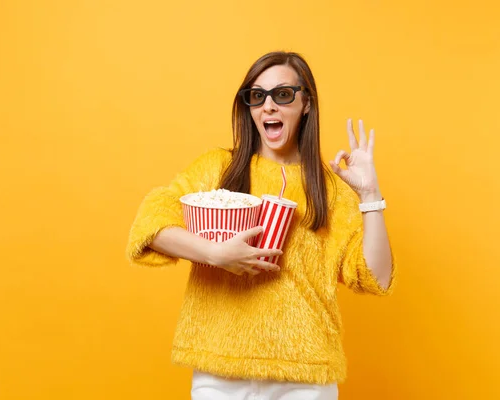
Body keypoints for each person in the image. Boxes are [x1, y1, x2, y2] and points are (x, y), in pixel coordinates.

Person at [126, 51, 396, 400]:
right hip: (219, 371)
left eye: (282, 94)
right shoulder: (217, 170)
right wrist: (215, 253)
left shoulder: (332, 191)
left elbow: (377, 277)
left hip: (305, 377)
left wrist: (370, 194)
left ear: (306, 103)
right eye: (257, 96)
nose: (268, 106)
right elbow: (150, 224)